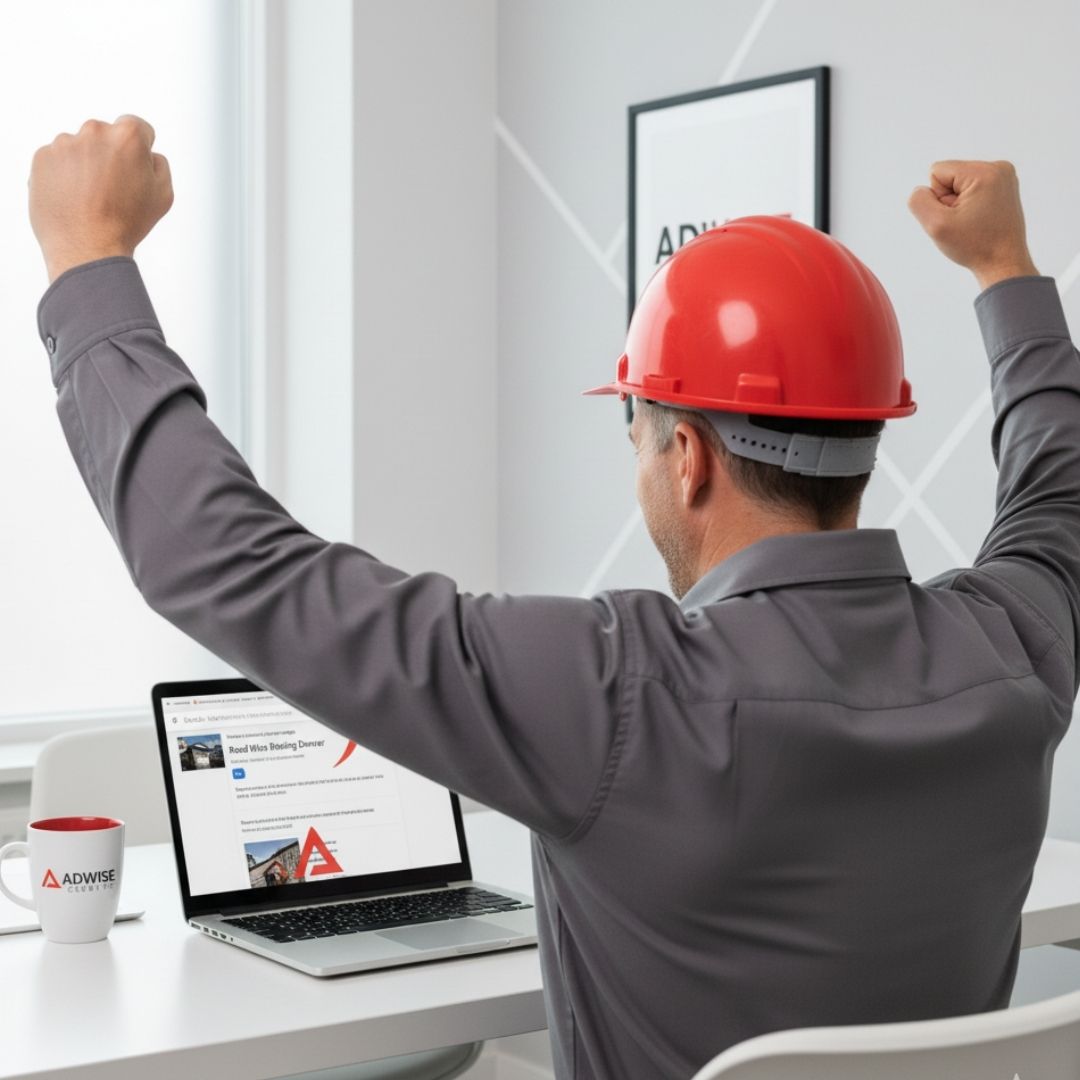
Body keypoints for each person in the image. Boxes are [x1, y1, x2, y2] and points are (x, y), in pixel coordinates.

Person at [27, 117, 1080, 1080]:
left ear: (686, 458)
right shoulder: (1015, 645)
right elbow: (1058, 488)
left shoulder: (619, 691)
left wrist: (89, 261)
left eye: (634, 436)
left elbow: (234, 565)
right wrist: (1006, 265)